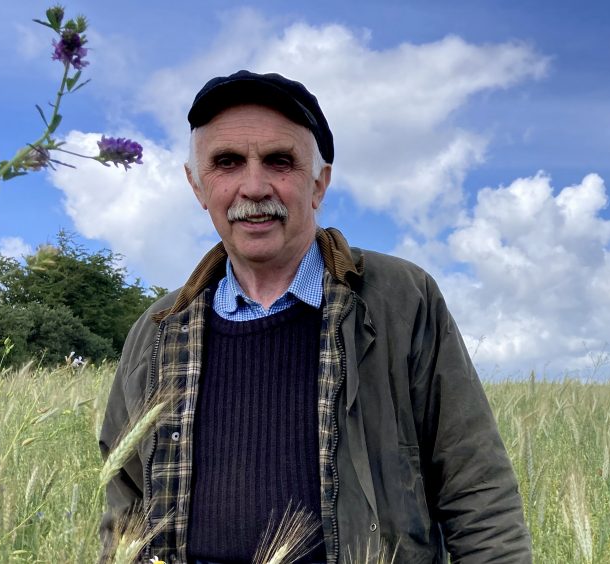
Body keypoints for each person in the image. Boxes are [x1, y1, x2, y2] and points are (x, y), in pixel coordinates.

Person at [98, 70, 531, 564]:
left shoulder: (401, 300)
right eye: (227, 162)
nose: (253, 186)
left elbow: (478, 491)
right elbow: (125, 511)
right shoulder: (157, 331)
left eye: (279, 161)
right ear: (197, 185)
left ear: (318, 184)